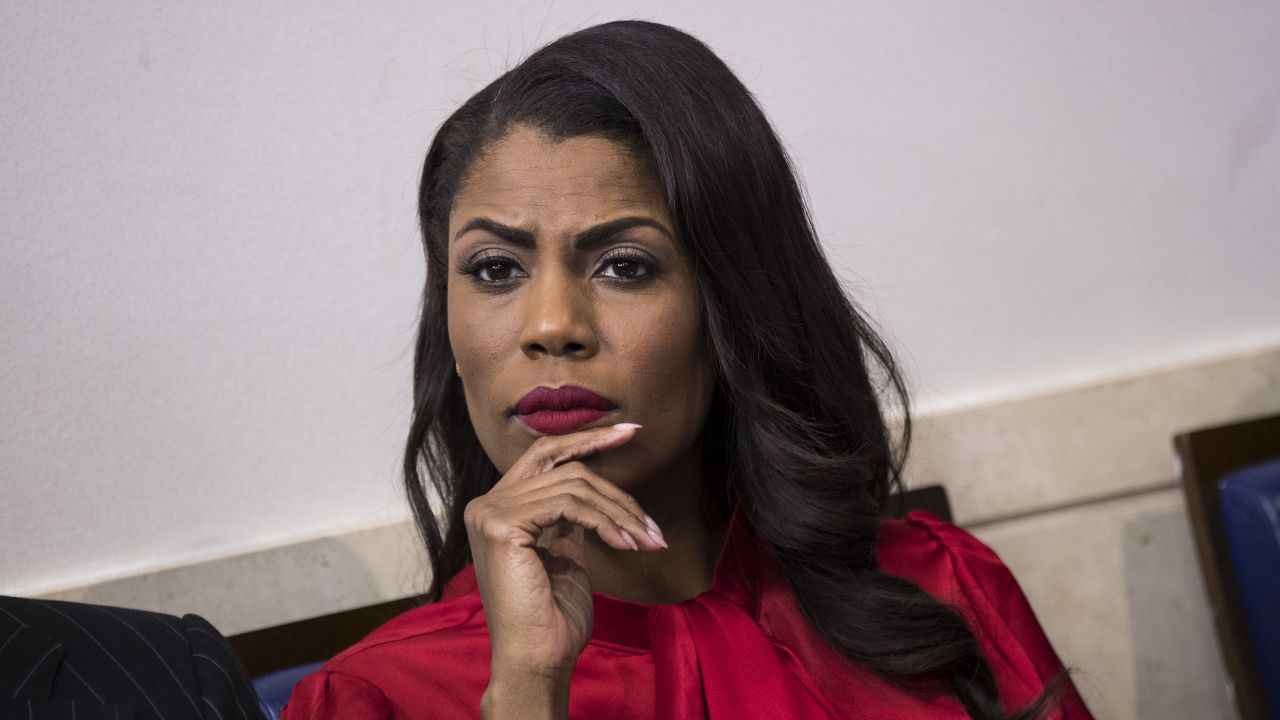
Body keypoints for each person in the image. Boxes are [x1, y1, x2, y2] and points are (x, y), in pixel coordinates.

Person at [281, 20, 1093, 720]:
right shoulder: (371, 699)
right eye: (495, 269)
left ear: (731, 303)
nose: (553, 326)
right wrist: (527, 686)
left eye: (625, 265)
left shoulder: (943, 587)